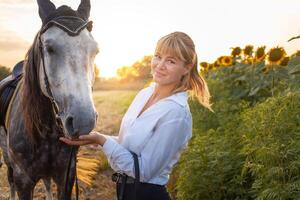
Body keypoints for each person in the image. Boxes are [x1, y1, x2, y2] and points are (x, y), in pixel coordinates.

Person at [60, 31, 213, 200]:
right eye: (158, 56)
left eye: (171, 61)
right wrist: (96, 138)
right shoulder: (145, 93)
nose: (160, 65)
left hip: (147, 194)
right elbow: (130, 145)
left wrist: (101, 140)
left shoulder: (176, 113)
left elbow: (145, 171)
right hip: (125, 189)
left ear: (187, 67)